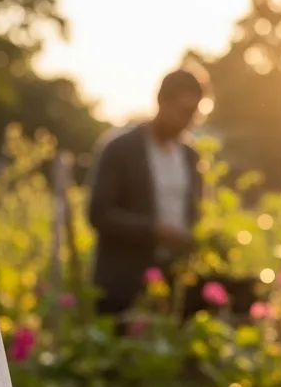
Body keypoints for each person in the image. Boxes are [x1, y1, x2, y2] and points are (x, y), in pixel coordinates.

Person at [88, 65, 209, 315]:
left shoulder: (189, 156)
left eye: (194, 113)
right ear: (161, 101)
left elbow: (195, 213)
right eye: (183, 110)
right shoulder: (120, 150)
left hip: (172, 281)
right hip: (123, 284)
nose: (189, 120)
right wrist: (153, 230)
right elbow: (99, 213)